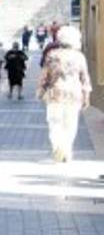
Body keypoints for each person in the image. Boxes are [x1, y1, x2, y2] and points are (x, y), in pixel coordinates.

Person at [37, 26, 91, 163]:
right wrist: (86, 96)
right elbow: (85, 78)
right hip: (74, 94)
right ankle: (67, 150)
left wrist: (40, 90)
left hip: (55, 93)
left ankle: (58, 148)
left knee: (54, 122)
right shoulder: (79, 57)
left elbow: (45, 75)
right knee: (70, 123)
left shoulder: (52, 55)